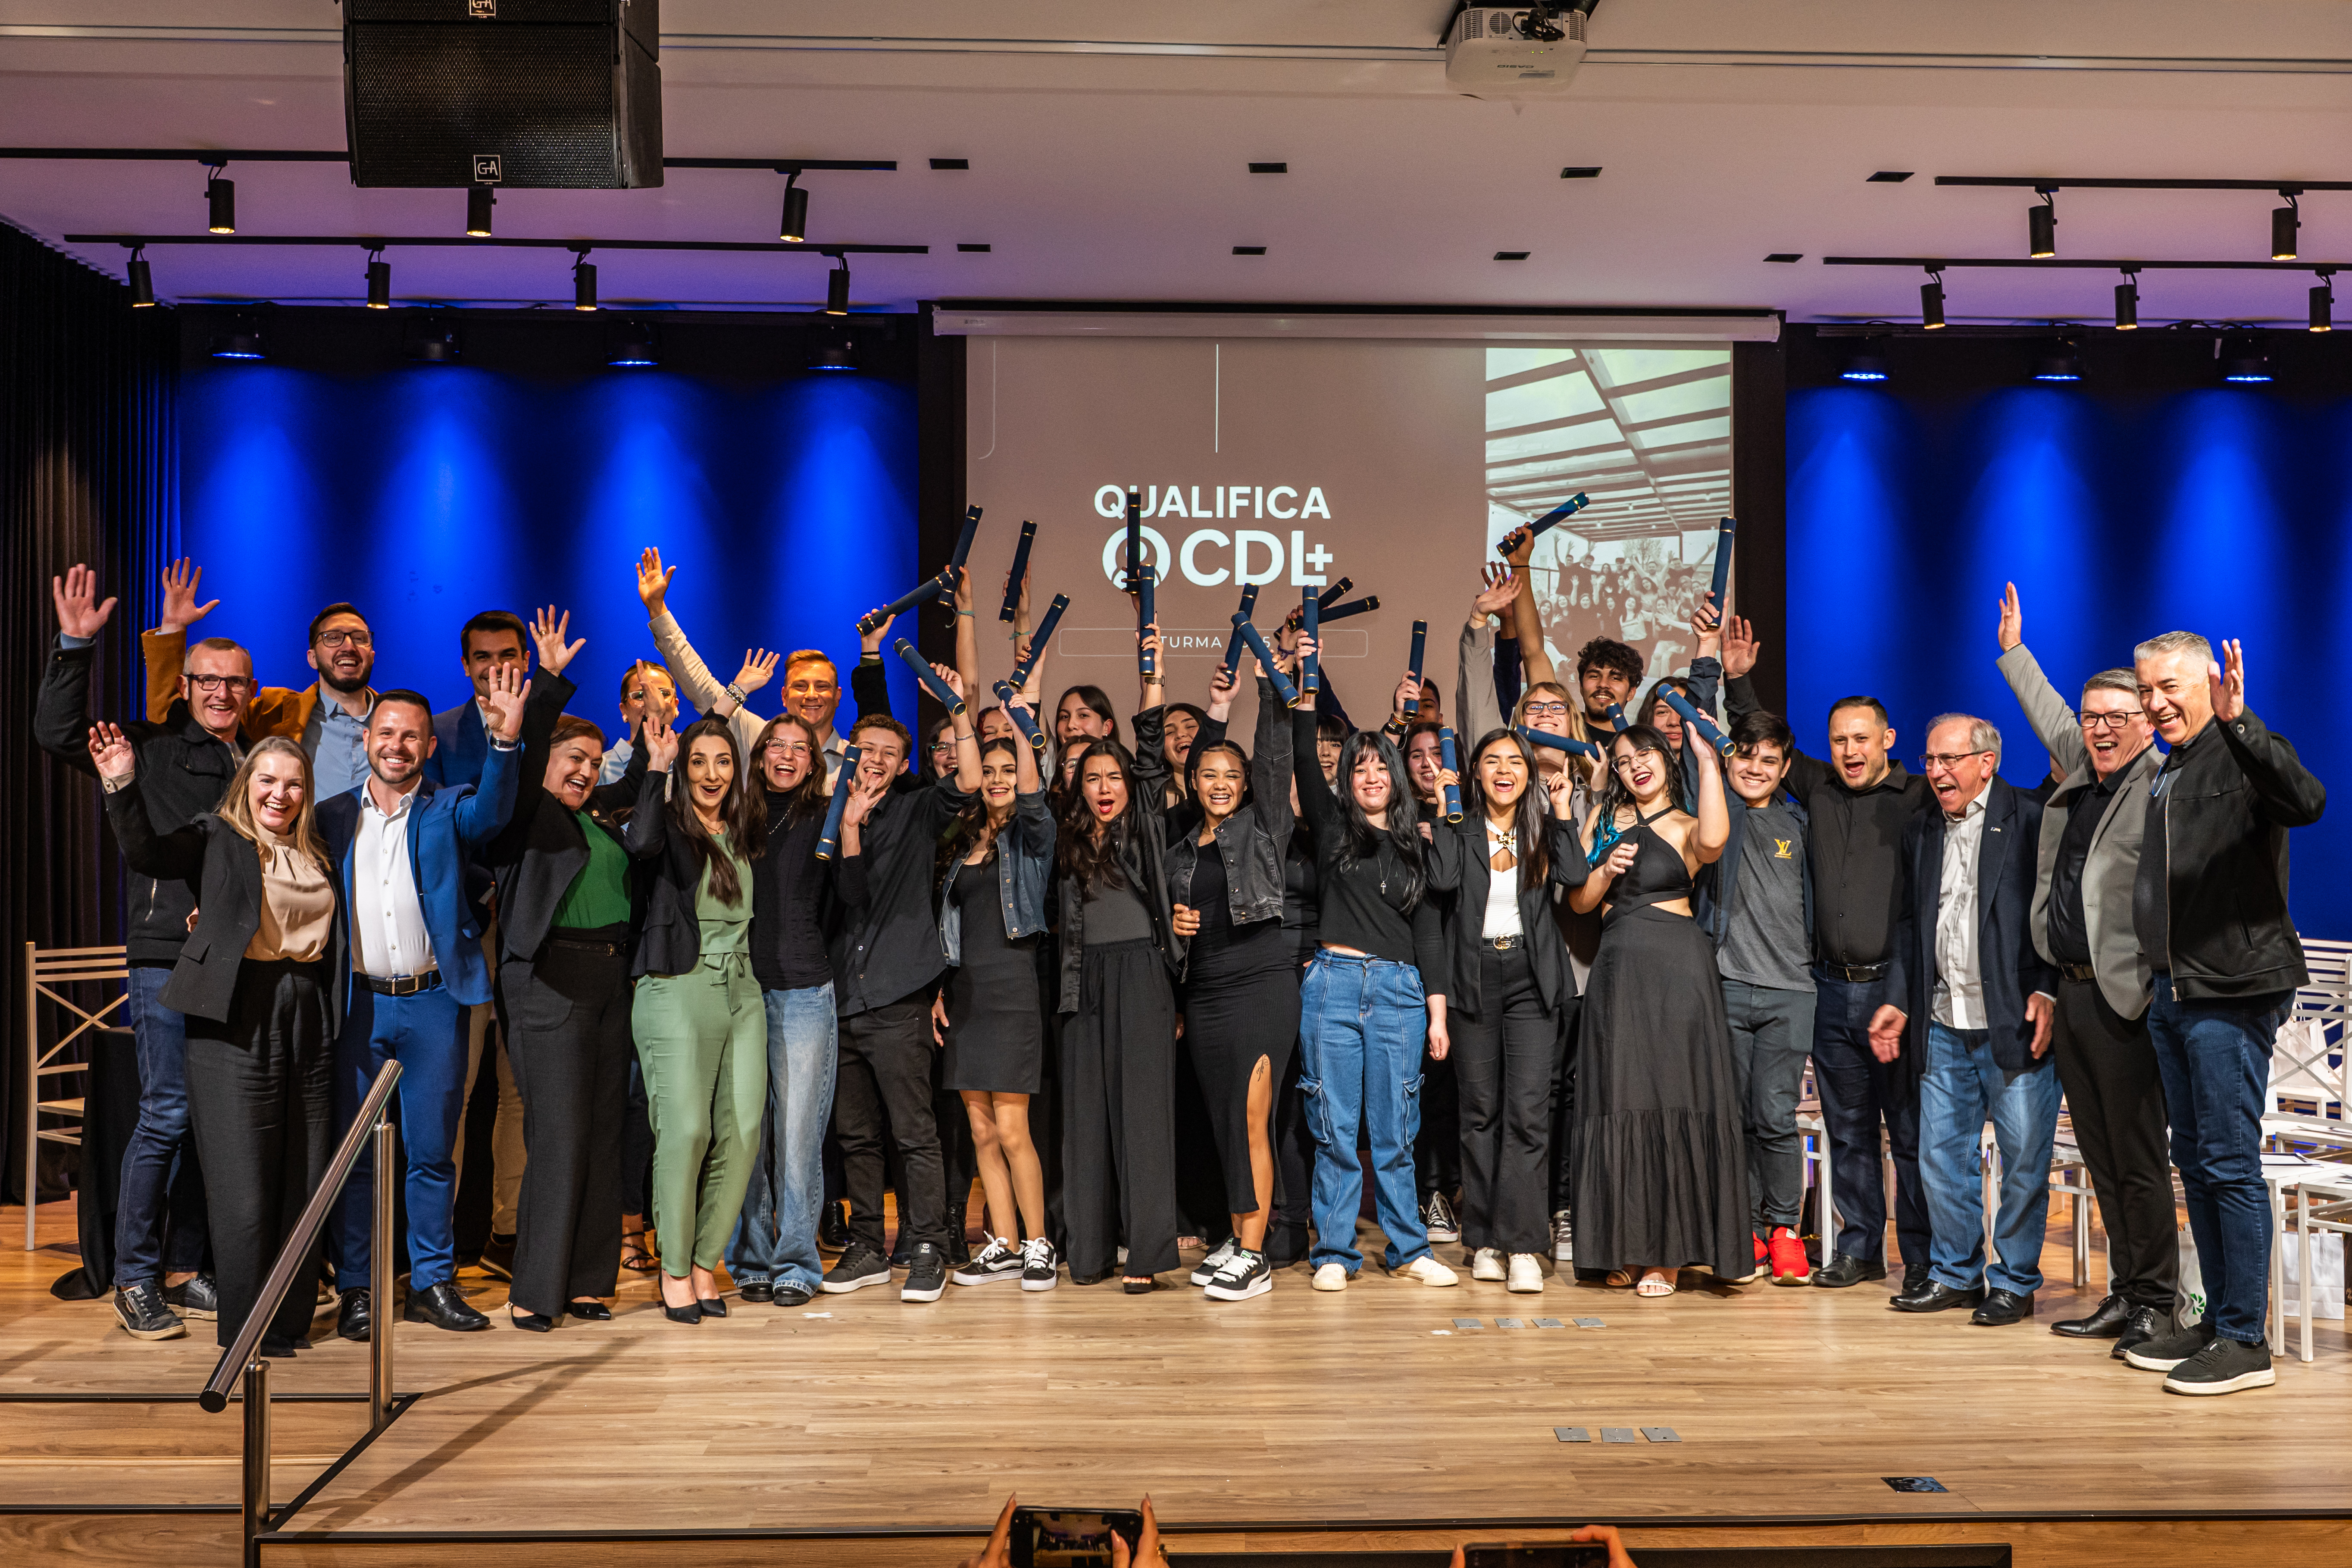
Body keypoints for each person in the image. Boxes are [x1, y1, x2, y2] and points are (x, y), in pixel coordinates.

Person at [36, 564, 241, 1341]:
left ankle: (200, 1272)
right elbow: (58, 735)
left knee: (218, 1120)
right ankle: (133, 1278)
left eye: (234, 683)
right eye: (208, 680)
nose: (221, 693)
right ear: (186, 685)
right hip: (165, 956)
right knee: (165, 1113)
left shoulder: (257, 761)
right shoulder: (150, 747)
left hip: (238, 960)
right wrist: (74, 647)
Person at [2119, 632, 2324, 1396]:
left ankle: (2245, 1339)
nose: (2155, 703)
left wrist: (2242, 725)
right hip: (2176, 989)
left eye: (2168, 686)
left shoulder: (2240, 750)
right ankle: (2215, 1319)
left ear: (2211, 680)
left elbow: (2305, 800)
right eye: (2146, 690)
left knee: (2229, 1163)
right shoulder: (2171, 765)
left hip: (2230, 989)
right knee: (2197, 1163)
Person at [92, 730, 342, 1353]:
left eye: (293, 783)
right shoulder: (215, 836)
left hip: (306, 1010)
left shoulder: (316, 850)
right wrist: (121, 783)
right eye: (267, 780)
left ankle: (288, 1322)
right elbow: (148, 853)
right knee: (243, 1184)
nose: (279, 793)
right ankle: (248, 1330)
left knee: (302, 1174)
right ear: (245, 785)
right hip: (234, 1013)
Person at [1724, 628, 1938, 1295]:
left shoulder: (1920, 797)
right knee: (1847, 1133)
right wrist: (1737, 679)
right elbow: (1764, 749)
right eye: (1840, 739)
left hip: (1894, 994)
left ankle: (1926, 1261)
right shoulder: (1814, 789)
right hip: (1828, 991)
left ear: (1887, 740)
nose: (1849, 750)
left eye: (1861, 739)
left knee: (1908, 1135)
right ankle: (1859, 1250)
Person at [1994, 584, 2173, 1355]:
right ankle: (2123, 1292)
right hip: (2068, 994)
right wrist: (2012, 652)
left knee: (2136, 1158)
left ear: (2146, 723)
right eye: (2089, 716)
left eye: (2115, 718)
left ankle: (2157, 1304)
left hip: (2123, 998)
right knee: (2098, 1154)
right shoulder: (2083, 770)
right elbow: (2048, 713)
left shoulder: (2159, 781)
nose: (2096, 729)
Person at [318, 670, 524, 1338]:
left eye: (411, 735)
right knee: (354, 1158)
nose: (397, 745)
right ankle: (358, 1288)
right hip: (359, 1007)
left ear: (429, 745)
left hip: (434, 1004)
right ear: (366, 737)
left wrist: (505, 741)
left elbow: (494, 812)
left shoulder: (449, 807)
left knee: (433, 1154)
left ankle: (431, 1282)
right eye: (386, 732)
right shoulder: (331, 817)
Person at [485, 607, 649, 1329]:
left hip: (610, 985)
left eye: (590, 760)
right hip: (549, 982)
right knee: (557, 1135)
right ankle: (535, 1289)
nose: (583, 770)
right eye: (569, 760)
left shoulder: (598, 820)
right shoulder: (528, 816)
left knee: (603, 1131)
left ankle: (589, 1282)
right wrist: (546, 681)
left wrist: (654, 735)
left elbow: (638, 784)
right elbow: (516, 771)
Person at [1868, 715, 2059, 1327]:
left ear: (1987, 761)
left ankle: (2014, 1281)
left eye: (1950, 759)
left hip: (2013, 1020)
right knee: (1939, 1157)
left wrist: (2049, 991)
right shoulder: (1922, 827)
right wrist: (1899, 998)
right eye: (1930, 760)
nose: (1937, 771)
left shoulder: (2029, 819)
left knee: (2023, 1159)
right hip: (1943, 1021)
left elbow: (2058, 916)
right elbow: (1907, 924)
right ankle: (1954, 1272)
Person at [1292, 640, 1457, 1292]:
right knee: (1332, 1129)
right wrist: (1306, 691)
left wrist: (1438, 1014)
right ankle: (1334, 1250)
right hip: (1331, 986)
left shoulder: (1417, 843)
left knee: (1396, 1132)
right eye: (1358, 769)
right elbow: (1306, 759)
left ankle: (1410, 1249)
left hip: (1399, 993)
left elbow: (1430, 934)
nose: (1369, 777)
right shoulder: (1335, 833)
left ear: (1395, 775)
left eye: (1379, 768)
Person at [1570, 723, 1747, 1297]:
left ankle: (1667, 1256)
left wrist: (1708, 761)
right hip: (1619, 973)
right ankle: (1625, 1245)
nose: (1634, 766)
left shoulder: (1688, 825)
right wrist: (1604, 868)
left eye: (1644, 755)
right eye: (1623, 761)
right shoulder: (1604, 821)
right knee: (1621, 1100)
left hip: (1677, 970)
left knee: (1673, 1097)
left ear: (1666, 761)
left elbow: (1716, 842)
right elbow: (1579, 900)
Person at [1426, 729, 1586, 1294]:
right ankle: (1486, 1240)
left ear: (1527, 773)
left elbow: (1576, 876)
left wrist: (1563, 808)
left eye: (1514, 760)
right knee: (1480, 1114)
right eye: (1491, 760)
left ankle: (1522, 1244)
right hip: (1472, 977)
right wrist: (1445, 812)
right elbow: (1442, 879)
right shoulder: (1460, 827)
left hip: (1529, 978)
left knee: (1527, 1112)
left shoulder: (1542, 828)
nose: (1504, 769)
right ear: (1474, 773)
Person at [1054, 623, 1185, 1291]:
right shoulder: (1066, 836)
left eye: (1115, 776)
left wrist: (1154, 674)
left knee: (1143, 1116)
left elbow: (1153, 753)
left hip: (1141, 973)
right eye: (1092, 777)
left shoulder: (1146, 825)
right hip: (1083, 981)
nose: (1104, 786)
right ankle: (1090, 1251)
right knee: (1087, 1118)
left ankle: (1148, 1254)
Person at [824, 710, 971, 1302]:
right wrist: (850, 829)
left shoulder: (917, 810)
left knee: (914, 1132)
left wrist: (960, 709)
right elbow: (845, 896)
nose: (876, 759)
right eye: (866, 749)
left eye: (889, 752)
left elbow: (963, 785)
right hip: (840, 998)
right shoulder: (828, 817)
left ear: (904, 765)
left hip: (897, 994)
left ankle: (929, 1246)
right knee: (856, 1135)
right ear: (849, 755)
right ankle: (866, 1246)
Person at [1162, 653, 1296, 1301]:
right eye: (1208, 774)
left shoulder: (1264, 827)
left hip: (1261, 985)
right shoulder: (1180, 852)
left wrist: (1273, 685)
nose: (1220, 783)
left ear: (1245, 784)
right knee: (1223, 1121)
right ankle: (1237, 1232)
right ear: (1193, 783)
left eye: (1231, 775)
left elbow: (1275, 757)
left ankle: (1255, 1252)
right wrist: (1175, 925)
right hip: (1206, 991)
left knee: (1252, 1117)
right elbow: (1167, 926)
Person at [626, 715, 769, 1324]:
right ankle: (676, 1267)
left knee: (742, 1130)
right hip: (678, 986)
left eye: (724, 761)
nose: (712, 774)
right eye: (699, 762)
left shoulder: (742, 827)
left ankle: (708, 1259)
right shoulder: (670, 826)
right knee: (686, 1132)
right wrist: (657, 766)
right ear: (683, 771)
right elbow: (639, 844)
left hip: (743, 991)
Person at [424, 607, 533, 1273]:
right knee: (454, 1092)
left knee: (519, 1091)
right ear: (466, 665)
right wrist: (480, 886)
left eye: (509, 655)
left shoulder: (545, 726)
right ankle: (434, 1248)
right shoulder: (435, 733)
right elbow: (432, 825)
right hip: (461, 931)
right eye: (484, 657)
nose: (497, 667)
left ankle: (510, 1233)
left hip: (530, 936)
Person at [936, 696, 1058, 1290]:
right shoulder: (963, 843)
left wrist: (1018, 724)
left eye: (1009, 770)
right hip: (967, 994)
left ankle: (1039, 1243)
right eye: (989, 771)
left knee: (1013, 1130)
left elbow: (1034, 796)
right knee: (982, 1130)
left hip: (1013, 988)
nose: (999, 780)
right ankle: (1004, 1244)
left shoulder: (1033, 838)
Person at [1695, 709, 1817, 1286]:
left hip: (1790, 991)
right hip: (1727, 985)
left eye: (1770, 760)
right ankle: (1743, 1227)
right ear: (1728, 757)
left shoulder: (1801, 825)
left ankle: (1785, 1229)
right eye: (1746, 756)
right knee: (1737, 1114)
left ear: (1785, 768)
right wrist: (1703, 650)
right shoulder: (1720, 813)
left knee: (1774, 1113)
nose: (1757, 768)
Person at [724, 712, 842, 1308]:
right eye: (778, 745)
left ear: (815, 759)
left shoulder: (826, 816)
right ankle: (749, 1258)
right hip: (741, 992)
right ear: (761, 753)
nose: (788, 755)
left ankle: (796, 1261)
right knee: (746, 1136)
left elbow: (851, 899)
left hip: (802, 992)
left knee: (797, 1138)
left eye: (801, 748)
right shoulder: (735, 815)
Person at [637, 545, 886, 788]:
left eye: (822, 686)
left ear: (838, 696)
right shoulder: (758, 738)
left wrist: (871, 650)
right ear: (785, 695)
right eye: (800, 686)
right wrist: (658, 609)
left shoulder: (857, 761)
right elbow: (701, 687)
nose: (811, 695)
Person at [141, 560, 379, 797]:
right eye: (333, 637)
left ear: (372, 654)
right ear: (312, 658)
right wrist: (172, 627)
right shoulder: (274, 711)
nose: (348, 646)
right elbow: (176, 717)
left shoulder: (398, 721)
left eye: (360, 638)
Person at [598, 660, 677, 785]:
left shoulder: (692, 763)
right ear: (624, 710)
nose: (654, 702)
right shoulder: (600, 768)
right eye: (640, 696)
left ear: (676, 706)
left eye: (664, 694)